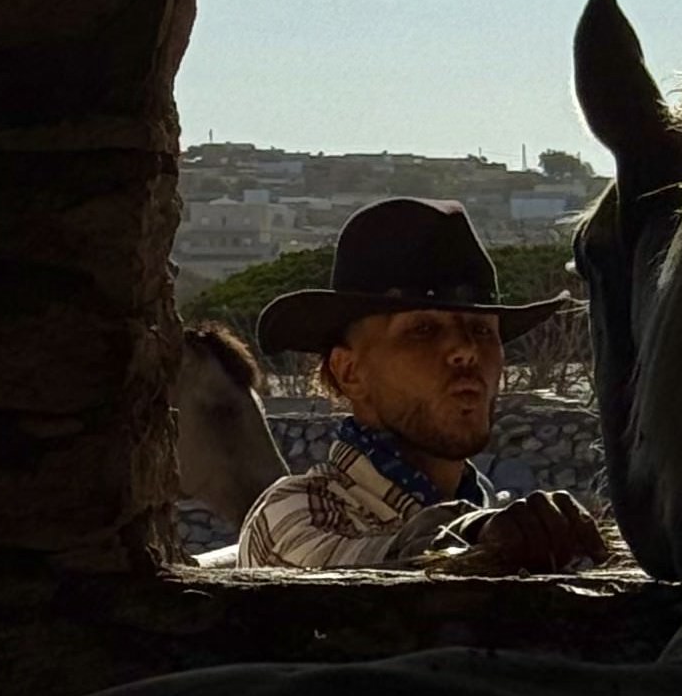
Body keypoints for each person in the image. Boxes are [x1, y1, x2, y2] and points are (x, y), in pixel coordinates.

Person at [236, 197, 612, 572]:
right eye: (424, 330)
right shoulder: (294, 513)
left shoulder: (493, 514)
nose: (465, 350)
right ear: (349, 371)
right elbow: (361, 575)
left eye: (481, 330)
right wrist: (475, 535)